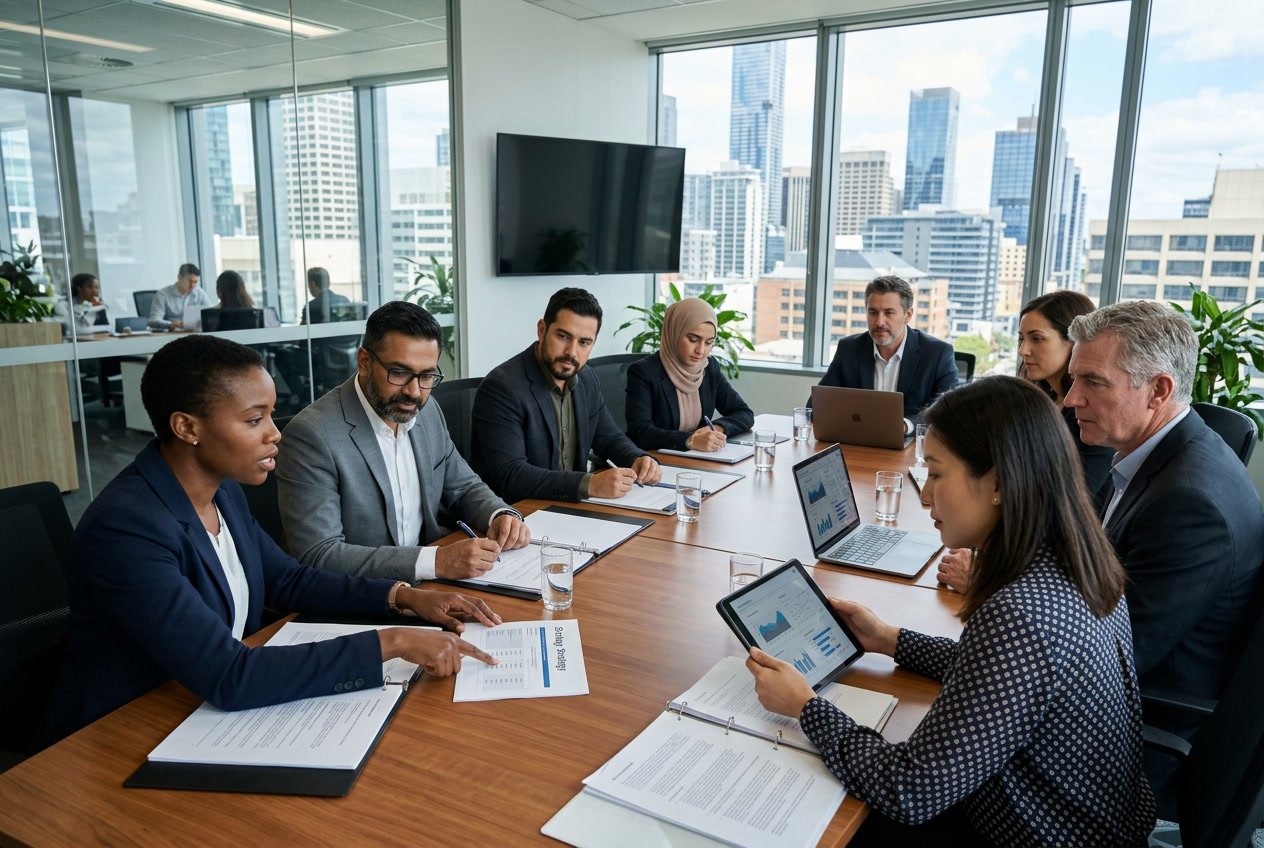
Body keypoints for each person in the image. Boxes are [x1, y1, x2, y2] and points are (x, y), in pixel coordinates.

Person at [746, 376, 1155, 846]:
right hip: (1091, 821)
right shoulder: (1074, 560)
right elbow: (997, 679)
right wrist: (888, 638)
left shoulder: (1021, 615)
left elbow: (909, 791)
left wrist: (805, 706)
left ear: (999, 483)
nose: (924, 496)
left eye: (936, 474)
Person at [47, 334, 501, 741]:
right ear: (187, 428)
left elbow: (287, 579)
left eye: (270, 414)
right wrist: (394, 642)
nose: (275, 433)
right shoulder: (128, 529)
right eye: (253, 420)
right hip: (127, 730)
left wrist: (404, 597)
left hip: (203, 707)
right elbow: (230, 675)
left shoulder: (220, 488)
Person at [1064, 300, 1264, 805]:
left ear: (1158, 390)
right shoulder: (1157, 453)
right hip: (1128, 681)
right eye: (1073, 380)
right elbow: (1103, 566)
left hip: (1140, 723)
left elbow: (1112, 656)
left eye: (1093, 382)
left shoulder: (1187, 502)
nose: (1070, 400)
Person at [276, 301, 529, 582]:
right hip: (363, 596)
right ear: (364, 362)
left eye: (427, 375)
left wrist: (500, 515)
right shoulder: (312, 435)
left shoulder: (428, 409)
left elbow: (464, 487)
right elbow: (319, 554)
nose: (414, 391)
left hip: (431, 585)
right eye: (399, 373)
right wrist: (436, 561)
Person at [937, 290, 1113, 590]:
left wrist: (988, 577)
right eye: (1021, 339)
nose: (1023, 350)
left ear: (1073, 342)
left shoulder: (1090, 419)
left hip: (1059, 574)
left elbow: (1061, 511)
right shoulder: (1040, 401)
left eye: (1037, 338)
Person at [471, 287, 661, 503]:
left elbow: (609, 438)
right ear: (542, 330)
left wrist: (638, 458)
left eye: (584, 342)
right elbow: (511, 475)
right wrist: (589, 484)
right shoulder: (502, 387)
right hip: (518, 514)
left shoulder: (587, 378)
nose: (572, 352)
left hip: (570, 509)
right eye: (563, 336)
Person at [811, 275, 957, 434]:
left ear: (907, 315)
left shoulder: (937, 353)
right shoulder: (849, 349)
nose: (879, 322)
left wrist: (905, 425)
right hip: (859, 442)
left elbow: (951, 411)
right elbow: (815, 406)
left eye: (889, 313)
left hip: (911, 448)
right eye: (873, 312)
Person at [624, 297, 754, 451]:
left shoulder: (709, 367)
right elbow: (640, 432)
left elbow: (744, 413)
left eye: (708, 342)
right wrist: (689, 440)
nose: (701, 351)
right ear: (675, 333)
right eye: (693, 339)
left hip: (697, 459)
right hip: (656, 461)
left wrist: (717, 428)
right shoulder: (644, 372)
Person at [148, 262, 209, 328]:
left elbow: (210, 314)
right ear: (179, 277)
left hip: (194, 332)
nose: (192, 285)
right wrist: (170, 324)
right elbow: (153, 320)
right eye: (189, 281)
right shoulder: (163, 295)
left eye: (195, 282)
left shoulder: (200, 293)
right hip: (170, 334)